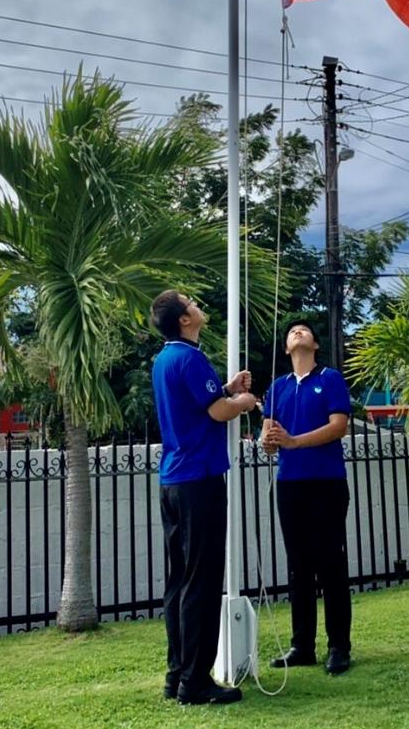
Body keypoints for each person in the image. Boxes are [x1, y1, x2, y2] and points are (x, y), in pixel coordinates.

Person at [150, 290, 255, 705]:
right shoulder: (190, 358)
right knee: (202, 581)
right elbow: (216, 411)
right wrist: (243, 401)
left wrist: (226, 388)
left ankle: (177, 674)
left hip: (174, 480)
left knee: (179, 580)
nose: (197, 304)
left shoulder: (165, 359)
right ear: (184, 320)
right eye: (190, 302)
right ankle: (195, 682)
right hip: (199, 479)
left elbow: (199, 402)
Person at [260, 319, 353, 675]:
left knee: (330, 563)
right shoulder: (278, 387)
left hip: (326, 483)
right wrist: (269, 442)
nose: (298, 332)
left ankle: (338, 646)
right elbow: (268, 438)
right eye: (292, 331)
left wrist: (295, 441)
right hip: (290, 484)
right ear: (287, 348)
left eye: (304, 330)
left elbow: (339, 426)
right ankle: (302, 646)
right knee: (298, 566)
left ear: (314, 345)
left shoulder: (329, 379)